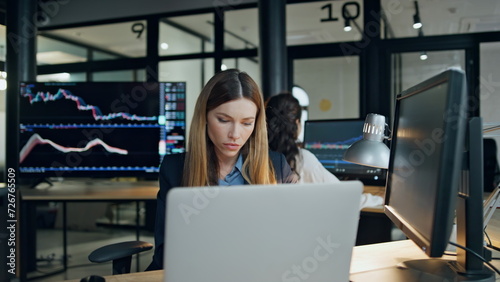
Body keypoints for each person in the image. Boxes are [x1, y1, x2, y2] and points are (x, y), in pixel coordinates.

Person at [146, 69, 297, 271]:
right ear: (205, 117)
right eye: (224, 120)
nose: (235, 134)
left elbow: (291, 239)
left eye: (246, 123)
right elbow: (165, 253)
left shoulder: (276, 166)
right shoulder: (175, 168)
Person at [265, 92, 383, 209]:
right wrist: (379, 199)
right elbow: (344, 197)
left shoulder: (259, 156)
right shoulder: (302, 159)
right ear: (297, 122)